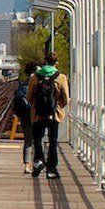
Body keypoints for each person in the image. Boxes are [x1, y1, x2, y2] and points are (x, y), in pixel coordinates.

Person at [27, 50, 70, 179]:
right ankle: (51, 168)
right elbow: (66, 98)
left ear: (45, 61)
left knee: (38, 139)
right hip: (54, 113)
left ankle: (39, 161)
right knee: (52, 141)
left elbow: (29, 96)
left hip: (38, 114)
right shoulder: (61, 77)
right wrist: (58, 105)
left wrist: (36, 105)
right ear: (56, 63)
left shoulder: (35, 76)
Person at [13, 62, 37, 173]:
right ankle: (37, 163)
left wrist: (19, 115)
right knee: (38, 140)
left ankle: (27, 165)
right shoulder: (38, 83)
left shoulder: (23, 86)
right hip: (37, 116)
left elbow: (16, 104)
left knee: (28, 141)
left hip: (26, 116)